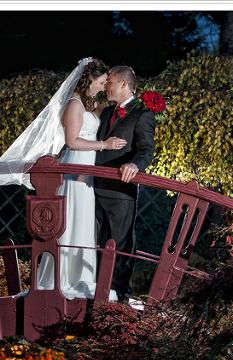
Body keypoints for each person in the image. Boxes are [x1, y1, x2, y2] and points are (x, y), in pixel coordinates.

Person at [0, 57, 126, 300]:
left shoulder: (90, 104)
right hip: (76, 165)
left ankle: (81, 276)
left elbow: (116, 112)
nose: (104, 86)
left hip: (88, 168)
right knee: (73, 217)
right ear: (89, 80)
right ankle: (63, 279)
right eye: (101, 82)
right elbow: (72, 140)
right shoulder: (75, 104)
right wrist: (104, 144)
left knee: (83, 218)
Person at [94, 65, 157, 303]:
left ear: (123, 84)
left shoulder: (142, 115)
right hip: (93, 187)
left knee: (121, 243)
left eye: (109, 82)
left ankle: (120, 297)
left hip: (120, 189)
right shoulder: (108, 111)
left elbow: (146, 149)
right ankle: (98, 293)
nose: (105, 86)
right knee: (96, 243)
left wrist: (135, 165)